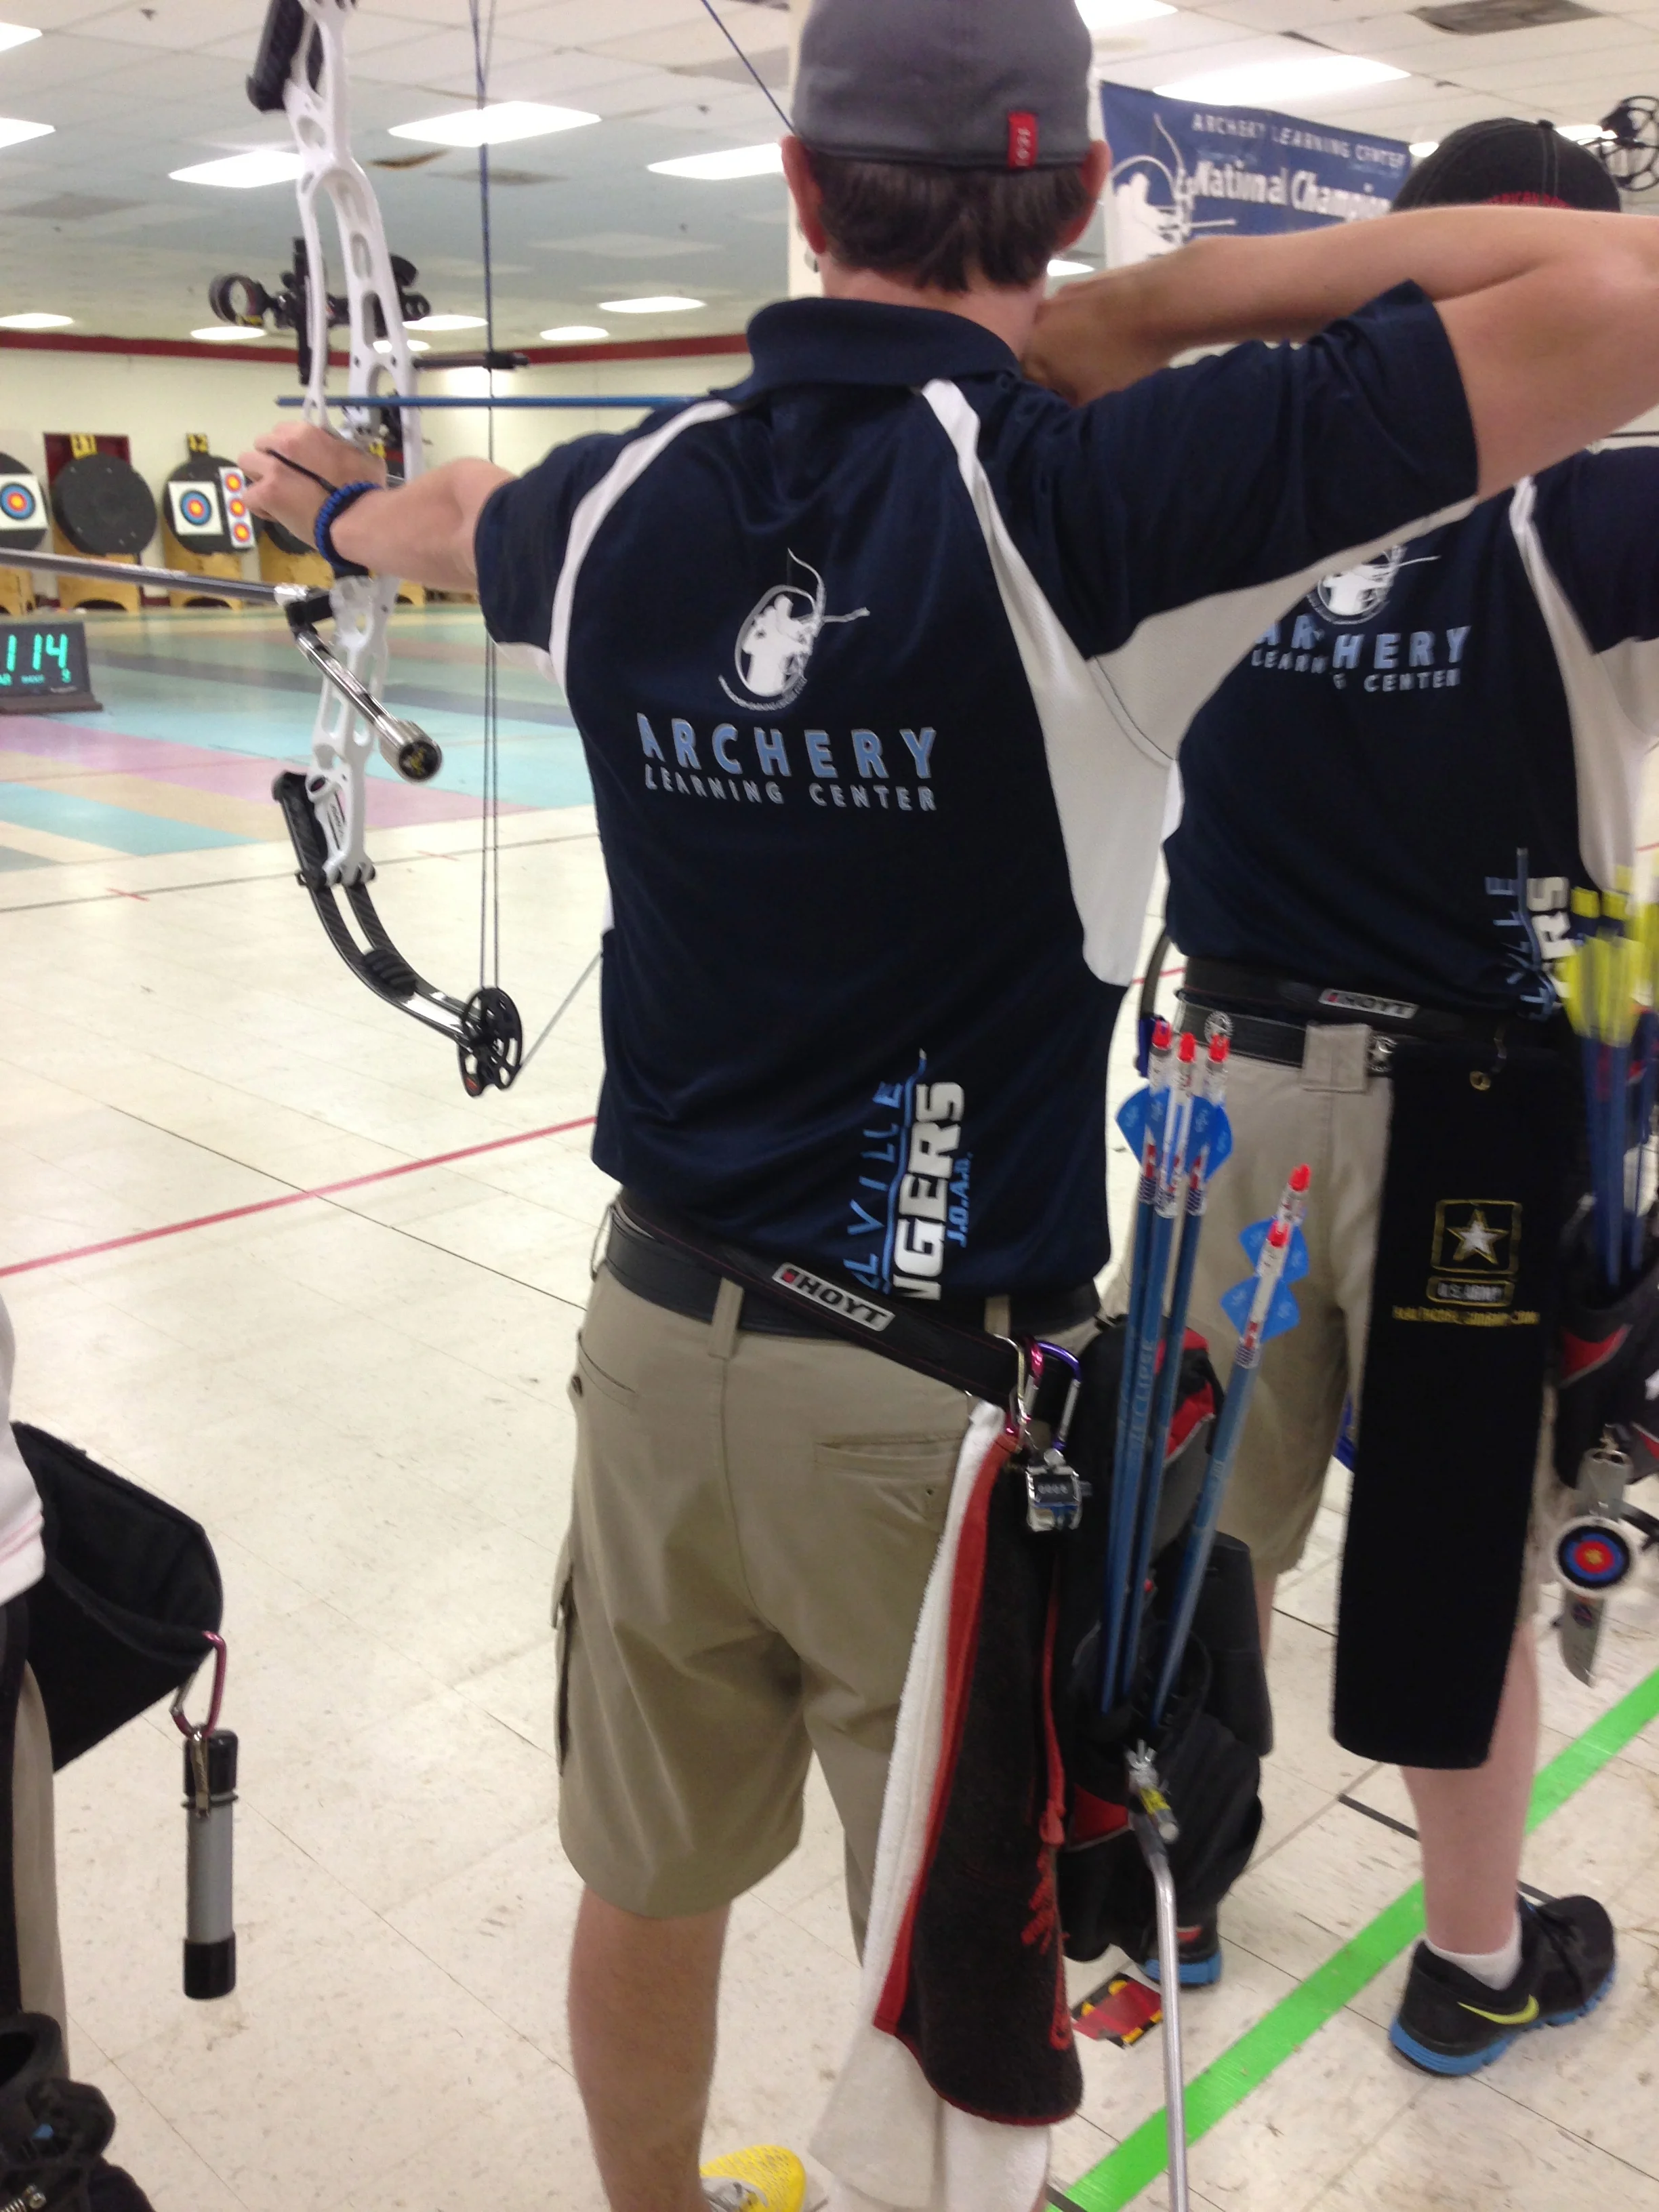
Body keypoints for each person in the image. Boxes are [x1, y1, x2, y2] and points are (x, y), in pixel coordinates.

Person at [241, 7, 1659, 2198]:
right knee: (962, 1971)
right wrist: (1142, 314)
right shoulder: (1099, 498)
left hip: (655, 1345)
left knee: (646, 1877)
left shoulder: (623, 499)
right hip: (929, 1417)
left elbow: (452, 516)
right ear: (1076, 196)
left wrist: (334, 507)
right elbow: (1621, 291)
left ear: (801, 189)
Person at [1108, 118, 1648, 2075]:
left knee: (1199, 1532)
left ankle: (1166, 1899)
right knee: (1451, 1567)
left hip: (1220, 1098)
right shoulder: (1596, 515)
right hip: (1472, 1128)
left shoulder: (1230, 501)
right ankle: (1476, 1961)